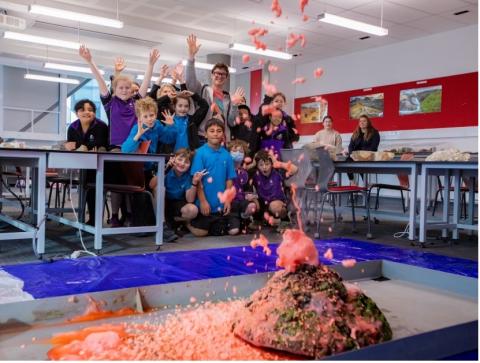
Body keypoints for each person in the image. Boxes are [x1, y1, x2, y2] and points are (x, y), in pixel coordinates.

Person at [79, 45, 160, 227]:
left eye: (128, 88)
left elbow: (145, 84)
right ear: (114, 89)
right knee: (116, 184)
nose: (125, 90)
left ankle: (131, 215)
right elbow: (100, 79)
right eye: (121, 87)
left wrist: (150, 65)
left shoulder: (136, 103)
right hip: (116, 148)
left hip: (135, 148)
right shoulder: (110, 103)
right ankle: (115, 215)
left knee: (133, 183)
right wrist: (90, 61)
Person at [185, 34, 245, 143]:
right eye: (217, 73)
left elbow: (232, 122)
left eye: (223, 74)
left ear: (226, 78)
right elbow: (190, 82)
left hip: (222, 140)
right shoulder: (203, 89)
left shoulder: (229, 97)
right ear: (212, 75)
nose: (219, 76)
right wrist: (191, 57)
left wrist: (235, 105)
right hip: (203, 137)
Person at [188, 118, 236, 237]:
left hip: (219, 206)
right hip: (205, 204)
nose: (215, 133)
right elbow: (197, 179)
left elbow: (229, 179)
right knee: (201, 233)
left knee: (227, 232)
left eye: (219, 131)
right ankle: (187, 223)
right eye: (212, 131)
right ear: (205, 134)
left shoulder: (227, 155)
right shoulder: (200, 153)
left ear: (223, 134)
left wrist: (228, 200)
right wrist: (203, 201)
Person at [64, 99, 109, 226]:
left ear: (94, 113)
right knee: (85, 187)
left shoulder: (101, 126)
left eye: (90, 110)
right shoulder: (72, 127)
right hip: (80, 164)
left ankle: (95, 219)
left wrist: (78, 145)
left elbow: (100, 144)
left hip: (99, 165)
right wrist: (82, 146)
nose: (86, 112)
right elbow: (69, 145)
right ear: (77, 112)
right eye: (82, 110)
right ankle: (85, 217)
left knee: (92, 187)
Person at [121, 97, 177, 189]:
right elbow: (125, 150)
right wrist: (138, 135)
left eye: (152, 115)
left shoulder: (157, 124)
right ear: (139, 118)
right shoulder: (137, 129)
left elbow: (168, 139)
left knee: (159, 188)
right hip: (137, 170)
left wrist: (171, 126)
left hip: (150, 168)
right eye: (145, 116)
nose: (149, 119)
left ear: (156, 114)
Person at [252, 149, 298, 227]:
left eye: (267, 164)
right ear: (257, 166)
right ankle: (259, 220)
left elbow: (295, 169)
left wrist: (278, 163)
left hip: (276, 203)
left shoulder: (277, 172)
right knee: (252, 203)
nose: (264, 167)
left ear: (271, 164)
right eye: (261, 165)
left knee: (274, 207)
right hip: (262, 204)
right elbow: (242, 171)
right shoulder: (255, 174)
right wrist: (252, 164)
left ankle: (285, 219)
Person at [162, 148, 203, 235]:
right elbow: (152, 185)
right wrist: (166, 169)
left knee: (193, 210)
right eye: (179, 159)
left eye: (186, 162)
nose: (182, 164)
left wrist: (194, 182)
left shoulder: (188, 176)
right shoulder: (167, 169)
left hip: (178, 203)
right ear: (173, 159)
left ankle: (181, 222)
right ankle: (163, 223)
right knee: (160, 188)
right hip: (163, 201)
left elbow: (190, 200)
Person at [226, 139, 259, 235]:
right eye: (235, 150)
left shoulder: (245, 173)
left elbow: (248, 190)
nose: (238, 153)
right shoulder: (225, 170)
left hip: (242, 203)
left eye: (241, 151)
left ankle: (244, 219)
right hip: (230, 205)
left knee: (252, 206)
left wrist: (253, 198)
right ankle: (233, 222)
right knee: (233, 232)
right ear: (229, 152)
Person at [257, 92, 299, 159]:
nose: (279, 103)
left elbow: (295, 137)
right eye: (276, 101)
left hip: (281, 153)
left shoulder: (288, 119)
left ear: (284, 103)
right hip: (265, 152)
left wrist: (289, 133)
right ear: (272, 102)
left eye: (281, 101)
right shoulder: (266, 116)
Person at [344, 114, 381, 185]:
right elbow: (350, 146)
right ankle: (352, 182)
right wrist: (352, 154)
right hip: (356, 156)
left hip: (368, 156)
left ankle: (365, 183)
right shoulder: (356, 133)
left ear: (368, 122)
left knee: (360, 163)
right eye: (360, 121)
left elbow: (374, 147)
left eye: (364, 121)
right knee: (347, 161)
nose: (362, 123)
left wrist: (362, 155)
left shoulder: (374, 132)